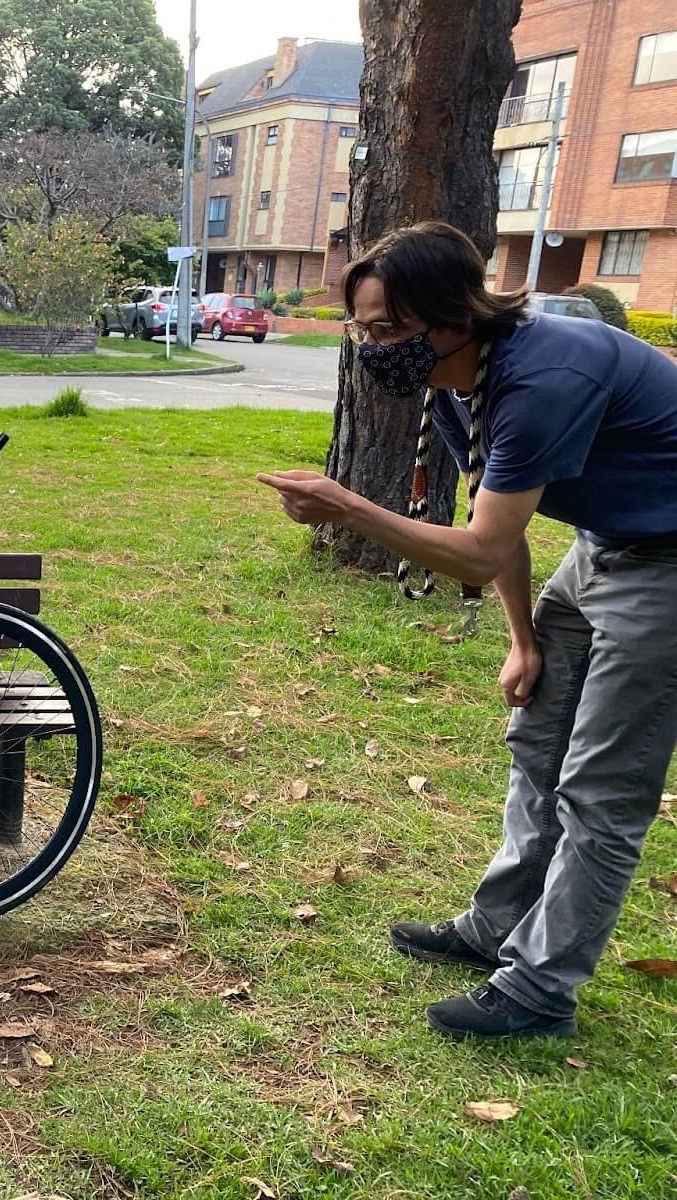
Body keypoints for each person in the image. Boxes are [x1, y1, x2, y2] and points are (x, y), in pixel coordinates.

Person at [258, 220, 677, 1041]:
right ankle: (495, 930)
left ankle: (541, 990)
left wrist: (345, 502)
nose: (373, 347)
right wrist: (525, 642)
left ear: (453, 314)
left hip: (668, 564)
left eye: (389, 329)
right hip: (604, 550)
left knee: (601, 791)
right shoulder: (457, 383)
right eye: (363, 329)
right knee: (537, 743)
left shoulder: (544, 375)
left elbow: (477, 553)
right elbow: (504, 530)